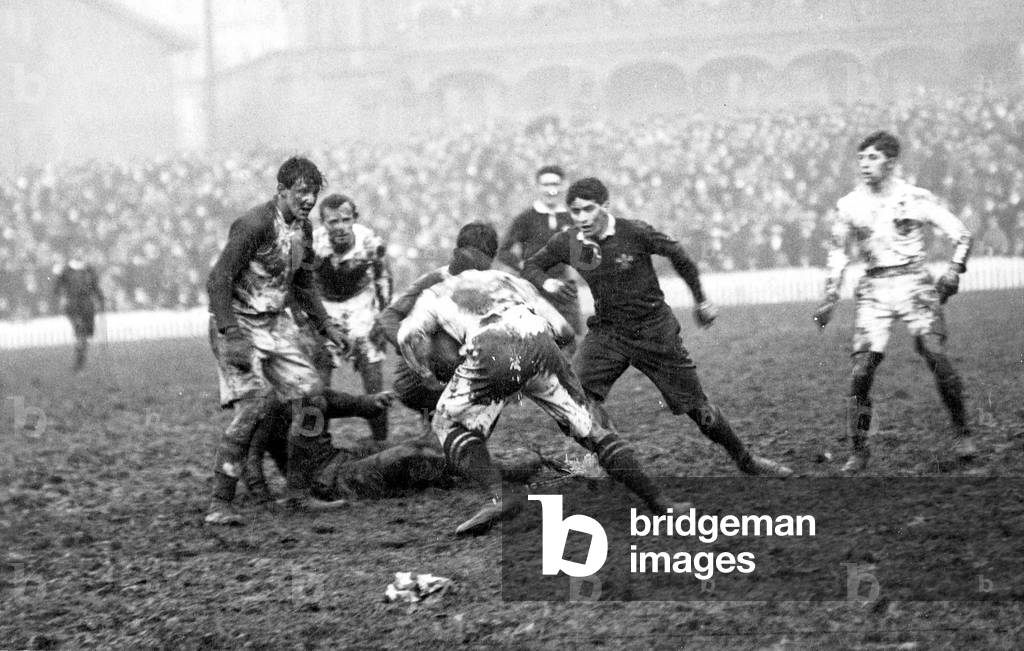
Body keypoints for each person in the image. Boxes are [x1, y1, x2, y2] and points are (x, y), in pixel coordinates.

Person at [522, 177, 791, 478]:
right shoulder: (569, 242)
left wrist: (701, 301)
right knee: (575, 397)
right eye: (575, 211)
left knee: (697, 409)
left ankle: (746, 460)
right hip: (608, 333)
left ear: (605, 206)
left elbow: (678, 254)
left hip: (654, 331)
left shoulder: (633, 232)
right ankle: (613, 455)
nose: (582, 218)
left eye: (588, 209)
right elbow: (530, 265)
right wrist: (548, 282)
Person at [397, 268, 685, 536]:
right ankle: (659, 501)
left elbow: (408, 335)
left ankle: (501, 497)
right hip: (540, 341)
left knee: (446, 423)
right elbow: (563, 330)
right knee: (589, 426)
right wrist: (538, 370)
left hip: (491, 347)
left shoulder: (433, 294)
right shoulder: (507, 279)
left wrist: (426, 374)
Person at [813, 130, 975, 472]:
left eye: (872, 157)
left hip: (915, 281)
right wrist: (830, 296)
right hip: (874, 287)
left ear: (890, 162)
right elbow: (837, 254)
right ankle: (859, 449)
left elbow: (961, 234)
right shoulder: (849, 205)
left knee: (934, 353)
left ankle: (962, 433)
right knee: (860, 372)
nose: (864, 164)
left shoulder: (914, 197)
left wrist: (953, 271)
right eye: (861, 158)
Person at [204, 156, 349, 525]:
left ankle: (298, 493)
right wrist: (231, 332)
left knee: (312, 397)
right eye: (301, 192)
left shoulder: (305, 230)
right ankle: (220, 503)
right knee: (254, 406)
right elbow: (218, 279)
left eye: (313, 193)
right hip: (239, 323)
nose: (307, 200)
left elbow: (302, 282)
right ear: (282, 191)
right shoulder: (254, 225)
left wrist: (325, 324)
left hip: (274, 321)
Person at [242, 389, 554, 504]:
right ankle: (501, 469)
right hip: (330, 482)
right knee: (412, 455)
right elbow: (250, 454)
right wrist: (263, 497)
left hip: (343, 459)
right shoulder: (266, 406)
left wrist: (370, 402)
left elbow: (335, 402)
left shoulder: (302, 387)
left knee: (419, 444)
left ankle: (478, 462)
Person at [374, 222, 498, 430]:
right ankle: (433, 417)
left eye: (482, 262)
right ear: (458, 254)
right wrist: (409, 346)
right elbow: (389, 316)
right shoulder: (435, 280)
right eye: (470, 259)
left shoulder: (495, 286)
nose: (475, 268)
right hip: (427, 368)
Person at [309, 193, 393, 440]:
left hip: (361, 304)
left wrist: (382, 318)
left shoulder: (369, 242)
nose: (341, 227)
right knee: (320, 371)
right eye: (333, 222)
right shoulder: (313, 244)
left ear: (354, 219)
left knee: (371, 367)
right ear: (323, 223)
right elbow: (302, 284)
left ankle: (380, 439)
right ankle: (317, 441)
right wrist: (312, 320)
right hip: (326, 304)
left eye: (346, 220)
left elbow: (384, 278)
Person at [496, 165, 582, 346]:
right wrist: (524, 266)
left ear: (563, 186)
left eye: (555, 184)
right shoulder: (526, 219)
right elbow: (503, 251)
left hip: (563, 289)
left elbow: (578, 256)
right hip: (533, 289)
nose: (551, 189)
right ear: (537, 187)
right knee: (535, 344)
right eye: (546, 184)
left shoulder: (570, 219)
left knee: (572, 341)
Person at [52, 249, 105, 372]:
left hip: (87, 305)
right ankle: (79, 361)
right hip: (73, 304)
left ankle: (80, 359)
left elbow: (95, 287)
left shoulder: (89, 269)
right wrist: (61, 298)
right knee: (80, 331)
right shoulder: (67, 270)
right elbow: (57, 288)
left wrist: (101, 299)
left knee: (86, 334)